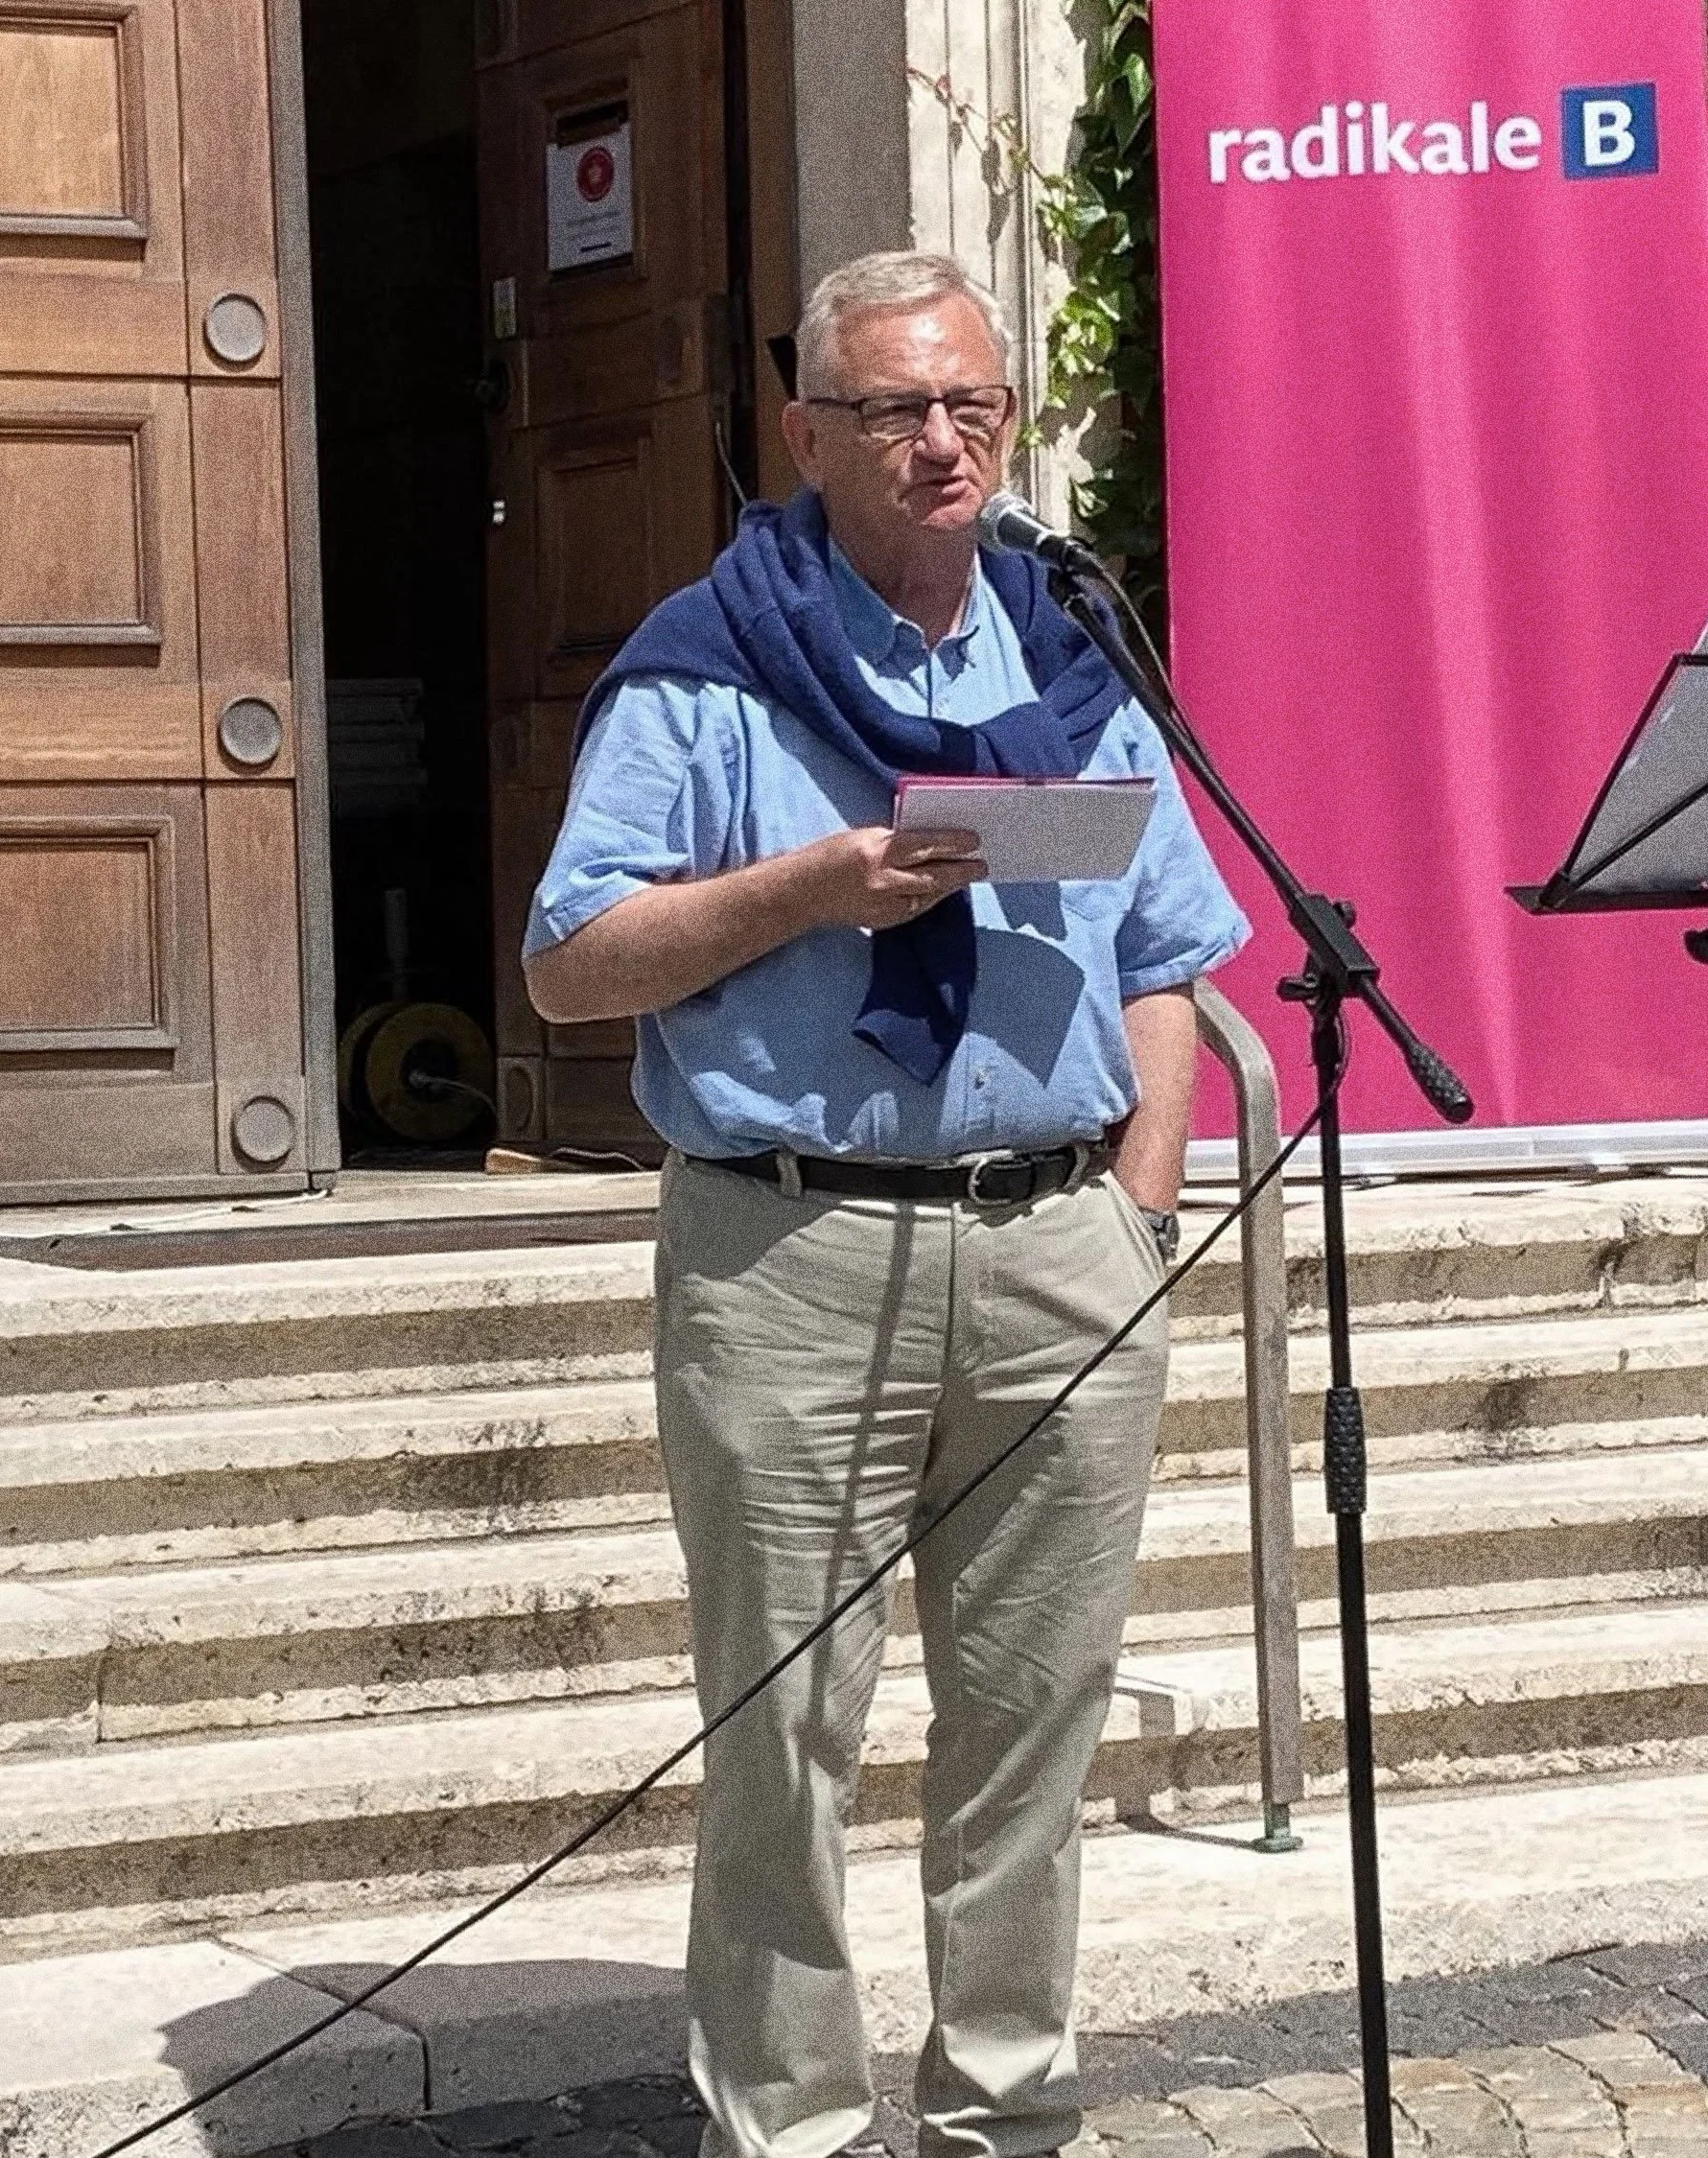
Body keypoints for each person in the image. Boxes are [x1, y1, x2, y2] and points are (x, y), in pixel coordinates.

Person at [524, 249, 1250, 2158]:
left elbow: (1168, 953)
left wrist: (1137, 1214)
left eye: (974, 408)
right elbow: (572, 968)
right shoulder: (702, 665)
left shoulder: (1073, 660)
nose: (945, 445)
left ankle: (1006, 2116)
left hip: (1057, 1258)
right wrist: (810, 888)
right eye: (898, 411)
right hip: (793, 1247)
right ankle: (789, 2129)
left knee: (1033, 1734)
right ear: (807, 433)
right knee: (785, 1741)